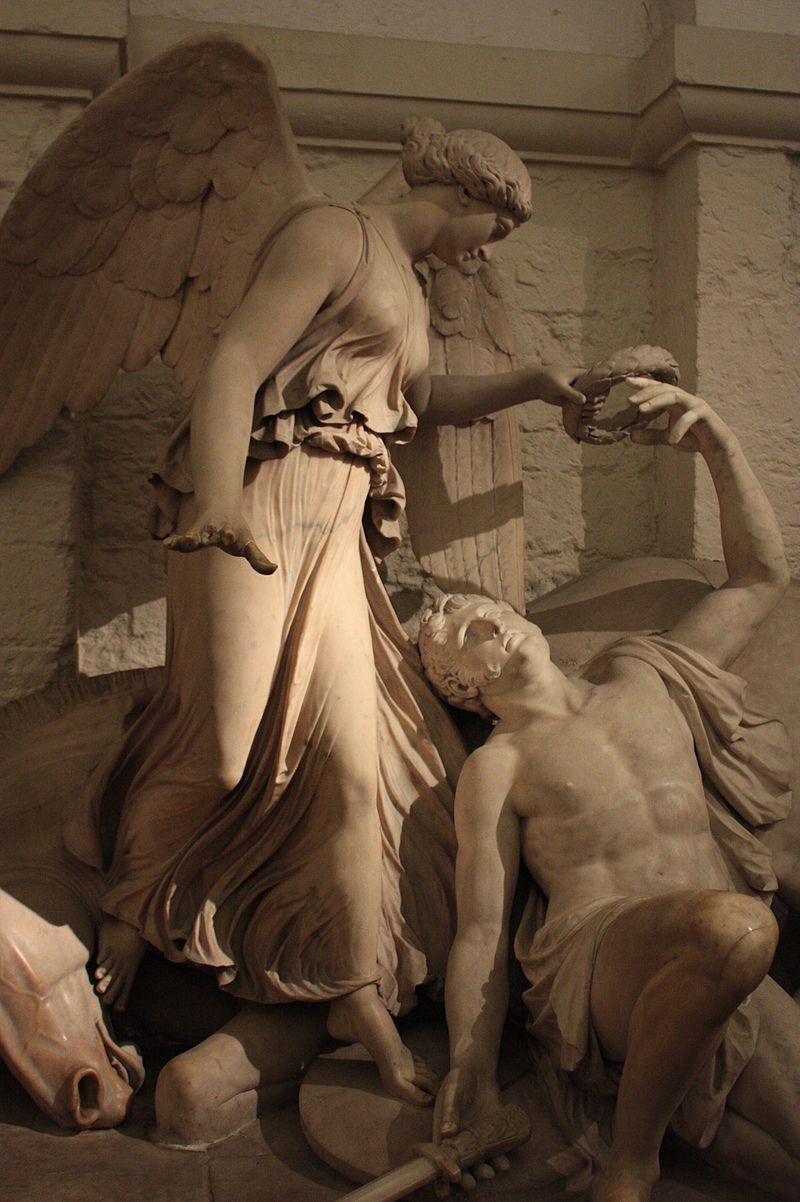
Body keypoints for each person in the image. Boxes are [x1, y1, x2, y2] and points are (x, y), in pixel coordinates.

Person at [73, 118, 587, 1105]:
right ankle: (131, 903)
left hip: (337, 523)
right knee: (225, 751)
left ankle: (350, 991)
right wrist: (218, 500)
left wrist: (535, 385)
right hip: (256, 494)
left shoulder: (412, 287)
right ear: (464, 194)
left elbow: (418, 399)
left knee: (356, 774)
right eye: (494, 228)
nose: (486, 253)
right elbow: (234, 364)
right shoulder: (331, 233)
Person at [418, 380, 798, 1200]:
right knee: (737, 928)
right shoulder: (499, 765)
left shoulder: (643, 671)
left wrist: (718, 442)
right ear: (460, 686)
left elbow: (759, 580)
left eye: (485, 606)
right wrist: (470, 1066)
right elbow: (481, 930)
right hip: (609, 966)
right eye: (462, 630)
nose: (484, 618)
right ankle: (631, 1164)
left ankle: (649, 1127)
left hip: (731, 964)